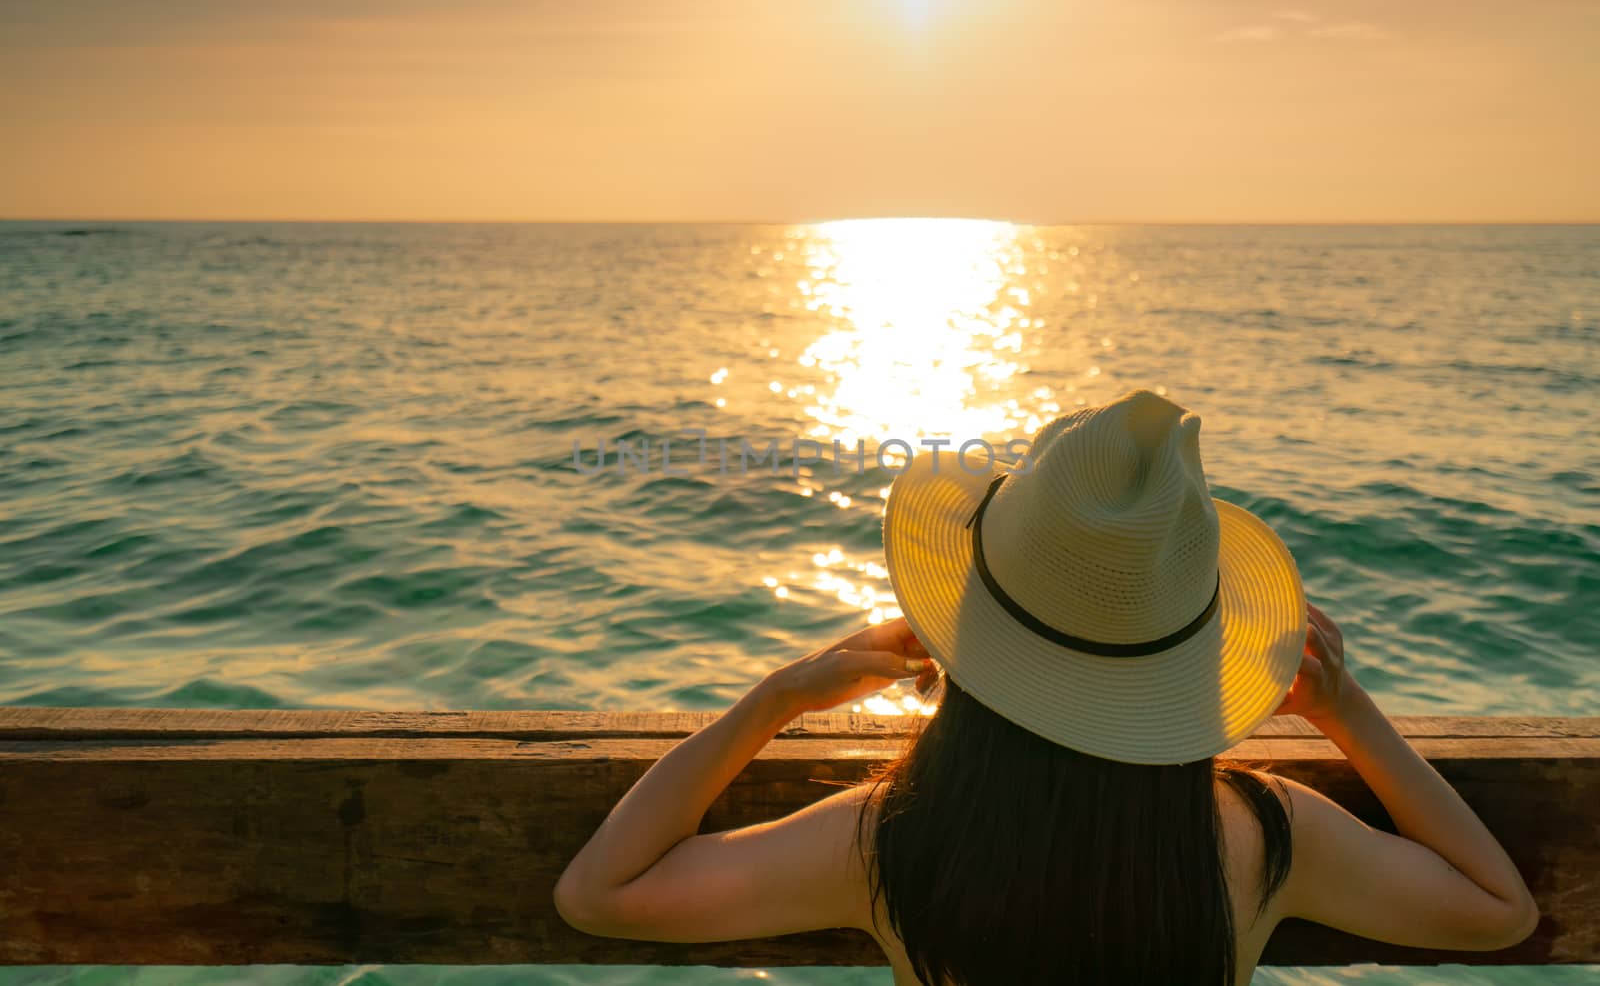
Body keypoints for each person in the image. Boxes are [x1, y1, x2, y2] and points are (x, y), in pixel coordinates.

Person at [554, 388, 1539, 984]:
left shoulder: (888, 840)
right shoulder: (1259, 836)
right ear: (1188, 658)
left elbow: (601, 893)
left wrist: (774, 700)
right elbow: (1499, 909)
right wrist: (1345, 712)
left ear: (972, 634)